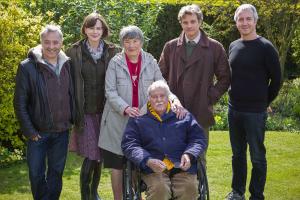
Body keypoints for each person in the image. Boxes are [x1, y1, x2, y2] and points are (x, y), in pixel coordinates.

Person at [98, 25, 184, 200]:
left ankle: (137, 194)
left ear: (141, 43)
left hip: (144, 121)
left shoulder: (150, 61)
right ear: (122, 44)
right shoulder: (115, 62)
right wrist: (125, 108)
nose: (131, 46)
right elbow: (110, 91)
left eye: (135, 41)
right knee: (117, 165)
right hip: (118, 121)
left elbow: (162, 86)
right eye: (127, 42)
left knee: (139, 159)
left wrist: (174, 99)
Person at [158, 4, 230, 167]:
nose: (189, 26)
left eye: (192, 21)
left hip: (200, 110)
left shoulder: (214, 47)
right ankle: (176, 192)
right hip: (174, 111)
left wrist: (209, 97)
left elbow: (225, 78)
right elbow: (159, 76)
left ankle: (200, 193)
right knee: (172, 156)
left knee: (198, 156)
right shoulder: (170, 47)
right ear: (181, 23)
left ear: (200, 22)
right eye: (185, 22)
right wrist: (168, 99)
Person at [226, 4, 281, 200]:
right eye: (241, 19)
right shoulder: (233, 46)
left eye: (248, 19)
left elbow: (277, 80)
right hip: (234, 110)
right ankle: (237, 192)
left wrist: (265, 100)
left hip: (255, 112)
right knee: (237, 155)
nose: (245, 22)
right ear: (236, 23)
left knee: (257, 156)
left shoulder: (266, 47)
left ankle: (257, 195)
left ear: (255, 21)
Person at [14, 24, 74, 200]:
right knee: (36, 174)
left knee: (56, 173)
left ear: (61, 43)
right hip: (38, 133)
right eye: (47, 42)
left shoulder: (67, 64)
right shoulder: (27, 67)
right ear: (41, 42)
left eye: (55, 42)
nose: (51, 46)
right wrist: (30, 132)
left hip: (62, 131)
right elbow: (20, 102)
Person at [121, 80, 207, 200]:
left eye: (162, 96)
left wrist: (189, 154)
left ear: (168, 98)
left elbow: (198, 138)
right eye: (154, 97)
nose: (159, 100)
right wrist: (147, 160)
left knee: (189, 187)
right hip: (153, 168)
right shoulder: (138, 119)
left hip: (181, 167)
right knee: (160, 189)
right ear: (149, 99)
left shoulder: (183, 116)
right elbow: (129, 144)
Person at [66, 12, 120, 200]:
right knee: (91, 154)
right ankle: (85, 195)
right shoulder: (73, 51)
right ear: (85, 29)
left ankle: (94, 192)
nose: (95, 31)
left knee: (99, 155)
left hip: (106, 112)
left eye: (99, 28)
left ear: (103, 30)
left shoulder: (113, 51)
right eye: (91, 27)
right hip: (85, 112)